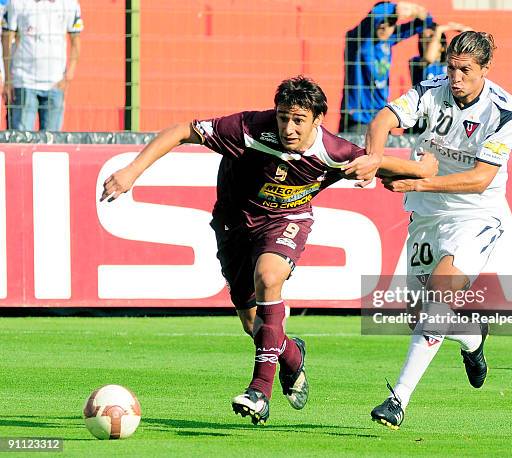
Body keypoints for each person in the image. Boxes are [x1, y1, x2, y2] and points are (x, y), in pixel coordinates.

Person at [99, 75, 437, 426]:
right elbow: (182, 130)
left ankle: (260, 390)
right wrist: (131, 171)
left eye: (298, 120)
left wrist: (421, 169)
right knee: (253, 324)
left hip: (287, 221)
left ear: (318, 120)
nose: (288, 128)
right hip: (233, 225)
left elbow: (375, 163)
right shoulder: (247, 128)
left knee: (268, 276)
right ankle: (291, 354)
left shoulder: (332, 152)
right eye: (282, 117)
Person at [366, 31, 512, 429]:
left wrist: (417, 180)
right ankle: (472, 336)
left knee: (439, 298)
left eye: (465, 70)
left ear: (485, 70)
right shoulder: (430, 90)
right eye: (451, 67)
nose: (455, 77)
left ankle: (397, 399)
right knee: (419, 315)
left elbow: (480, 179)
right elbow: (383, 118)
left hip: (475, 214)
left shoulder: (505, 111)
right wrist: (374, 159)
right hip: (425, 213)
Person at [339, 1, 432, 134]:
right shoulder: (358, 39)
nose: (385, 26)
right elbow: (375, 14)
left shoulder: (388, 39)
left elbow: (425, 22)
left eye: (391, 22)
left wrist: (417, 11)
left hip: (380, 117)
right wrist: (394, 8)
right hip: (358, 119)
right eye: (382, 21)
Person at [2, 0, 83, 131]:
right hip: (23, 81)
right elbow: (6, 37)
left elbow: (76, 41)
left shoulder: (69, 4)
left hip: (55, 83)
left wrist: (68, 76)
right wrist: (8, 79)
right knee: (20, 142)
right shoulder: (17, 2)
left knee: (51, 144)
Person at [408, 22, 472, 134]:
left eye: (432, 38)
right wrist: (439, 30)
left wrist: (464, 31)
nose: (427, 41)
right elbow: (429, 58)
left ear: (442, 47)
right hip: (422, 122)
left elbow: (473, 51)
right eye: (424, 38)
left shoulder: (451, 67)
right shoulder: (416, 62)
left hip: (447, 118)